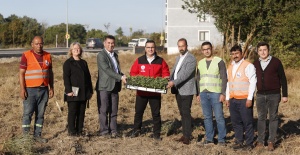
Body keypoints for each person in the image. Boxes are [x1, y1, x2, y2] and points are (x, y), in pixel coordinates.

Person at [129, 40, 170, 140]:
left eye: (152, 47)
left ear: (155, 48)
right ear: (145, 49)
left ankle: (156, 134)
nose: (150, 49)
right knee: (138, 112)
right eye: (148, 47)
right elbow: (133, 73)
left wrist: (165, 80)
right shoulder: (139, 60)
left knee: (156, 114)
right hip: (141, 93)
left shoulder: (161, 61)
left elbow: (166, 74)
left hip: (155, 94)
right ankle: (136, 130)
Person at [253, 42, 288, 151]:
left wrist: (285, 95)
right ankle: (260, 141)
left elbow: (283, 79)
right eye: (260, 50)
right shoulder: (255, 64)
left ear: (268, 50)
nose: (263, 52)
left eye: (265, 50)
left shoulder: (276, 62)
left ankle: (271, 141)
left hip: (274, 94)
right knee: (261, 118)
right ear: (257, 51)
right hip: (260, 95)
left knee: (273, 117)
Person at [19, 36, 54, 143]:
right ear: (32, 44)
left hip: (44, 90)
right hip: (30, 90)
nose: (39, 46)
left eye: (41, 43)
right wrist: (22, 89)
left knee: (40, 115)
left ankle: (37, 135)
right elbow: (21, 73)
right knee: (27, 114)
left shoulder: (48, 56)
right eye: (37, 43)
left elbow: (50, 73)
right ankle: (25, 138)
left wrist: (51, 87)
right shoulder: (26, 55)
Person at [225, 45, 257, 150]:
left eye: (237, 53)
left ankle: (249, 143)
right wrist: (227, 97)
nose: (235, 56)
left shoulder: (248, 65)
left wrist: (250, 98)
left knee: (247, 122)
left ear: (242, 53)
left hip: (244, 99)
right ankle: (239, 141)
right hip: (233, 99)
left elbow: (253, 82)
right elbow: (228, 83)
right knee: (236, 122)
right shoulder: (230, 67)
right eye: (233, 54)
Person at [167, 38, 197, 145]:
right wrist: (169, 79)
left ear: (187, 46)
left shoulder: (191, 58)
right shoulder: (178, 58)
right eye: (179, 46)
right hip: (178, 89)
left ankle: (187, 137)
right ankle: (185, 134)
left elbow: (185, 75)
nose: (181, 48)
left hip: (186, 89)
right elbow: (175, 71)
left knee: (186, 112)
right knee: (182, 112)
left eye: (183, 46)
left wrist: (173, 82)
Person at [196, 41, 227, 146]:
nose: (206, 51)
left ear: (212, 48)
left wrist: (223, 93)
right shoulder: (200, 63)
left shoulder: (219, 61)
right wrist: (198, 93)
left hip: (216, 93)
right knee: (207, 117)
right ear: (202, 51)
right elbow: (198, 79)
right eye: (204, 49)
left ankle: (222, 139)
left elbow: (224, 78)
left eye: (208, 48)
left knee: (219, 117)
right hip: (203, 94)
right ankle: (209, 138)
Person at [96, 35, 126, 138]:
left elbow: (116, 70)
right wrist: (120, 77)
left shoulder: (115, 55)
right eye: (108, 43)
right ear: (104, 43)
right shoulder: (101, 55)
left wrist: (122, 75)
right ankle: (104, 131)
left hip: (115, 86)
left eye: (112, 43)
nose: (110, 45)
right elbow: (107, 70)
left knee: (114, 110)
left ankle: (113, 130)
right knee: (103, 110)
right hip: (104, 87)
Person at [63, 42, 93, 136]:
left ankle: (79, 130)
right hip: (73, 92)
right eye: (74, 48)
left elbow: (88, 77)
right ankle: (72, 131)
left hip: (83, 92)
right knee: (73, 112)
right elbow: (66, 78)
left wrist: (90, 91)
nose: (77, 50)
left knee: (81, 112)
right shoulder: (68, 63)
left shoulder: (84, 62)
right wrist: (68, 91)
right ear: (71, 51)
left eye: (78, 48)